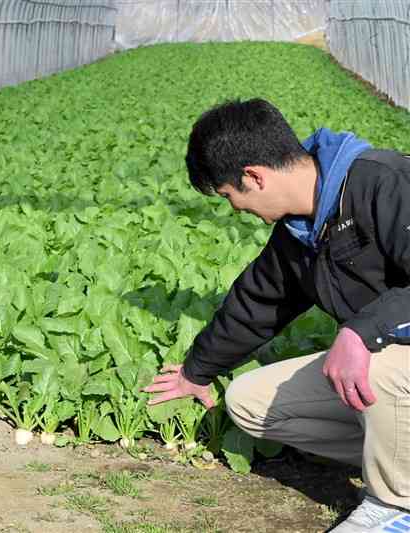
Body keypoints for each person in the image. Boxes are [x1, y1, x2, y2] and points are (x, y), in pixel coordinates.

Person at [144, 98, 410, 533]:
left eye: (230, 196)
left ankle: (399, 504)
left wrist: (363, 333)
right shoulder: (301, 227)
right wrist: (197, 371)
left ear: (254, 176)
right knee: (250, 403)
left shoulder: (386, 182)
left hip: (394, 361)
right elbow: (258, 303)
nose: (235, 210)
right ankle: (399, 460)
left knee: (377, 364)